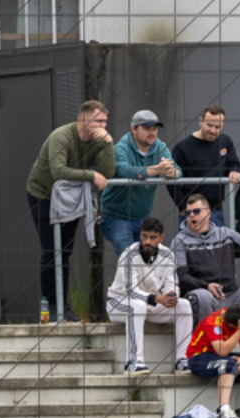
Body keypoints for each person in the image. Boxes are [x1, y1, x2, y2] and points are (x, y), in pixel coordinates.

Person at [26, 100, 115, 321]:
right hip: (43, 194)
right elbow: (58, 171)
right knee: (50, 251)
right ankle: (49, 305)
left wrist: (108, 144)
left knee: (65, 252)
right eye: (98, 121)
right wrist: (91, 175)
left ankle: (63, 306)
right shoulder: (62, 136)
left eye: (105, 121)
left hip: (71, 196)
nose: (102, 126)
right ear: (82, 119)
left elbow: (107, 172)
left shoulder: (99, 139)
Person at [105, 217, 194, 374]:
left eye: (152, 237)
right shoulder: (129, 255)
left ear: (161, 238)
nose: (147, 241)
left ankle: (182, 359)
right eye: (144, 236)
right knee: (137, 306)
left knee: (184, 305)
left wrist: (171, 296)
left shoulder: (168, 255)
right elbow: (130, 291)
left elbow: (172, 283)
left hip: (149, 304)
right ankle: (133, 362)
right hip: (118, 302)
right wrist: (157, 299)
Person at [171, 194, 240, 323]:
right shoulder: (179, 240)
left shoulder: (225, 234)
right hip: (204, 294)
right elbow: (182, 276)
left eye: (196, 211)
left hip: (231, 294)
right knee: (202, 297)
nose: (191, 215)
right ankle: (208, 341)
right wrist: (207, 286)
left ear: (208, 213)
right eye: (188, 212)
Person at [99, 110, 180, 257]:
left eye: (154, 128)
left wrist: (172, 172)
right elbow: (124, 171)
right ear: (133, 129)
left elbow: (177, 169)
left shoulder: (160, 147)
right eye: (146, 128)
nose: (152, 132)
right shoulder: (121, 147)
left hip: (143, 215)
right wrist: (156, 169)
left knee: (146, 260)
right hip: (116, 215)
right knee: (130, 259)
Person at [185, 303, 240, 418]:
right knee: (228, 363)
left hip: (219, 357)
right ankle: (223, 412)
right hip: (198, 358)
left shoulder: (238, 320)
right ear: (235, 324)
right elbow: (222, 351)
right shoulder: (213, 321)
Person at [169, 105, 240, 227]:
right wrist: (182, 206)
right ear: (200, 121)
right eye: (209, 125)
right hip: (192, 212)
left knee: (219, 246)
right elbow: (171, 181)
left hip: (216, 210)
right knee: (190, 246)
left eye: (217, 127)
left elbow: (234, 163)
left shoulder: (226, 142)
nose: (213, 130)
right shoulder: (182, 147)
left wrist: (235, 171)